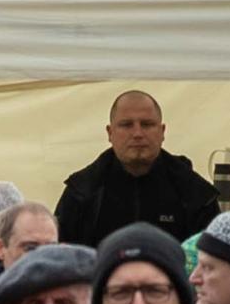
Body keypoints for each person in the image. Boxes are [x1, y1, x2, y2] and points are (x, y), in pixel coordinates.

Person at [54, 92, 218, 249]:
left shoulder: (195, 194)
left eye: (147, 124)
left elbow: (213, 263)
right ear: (110, 133)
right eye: (126, 125)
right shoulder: (82, 193)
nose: (137, 133)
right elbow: (60, 259)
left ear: (162, 132)